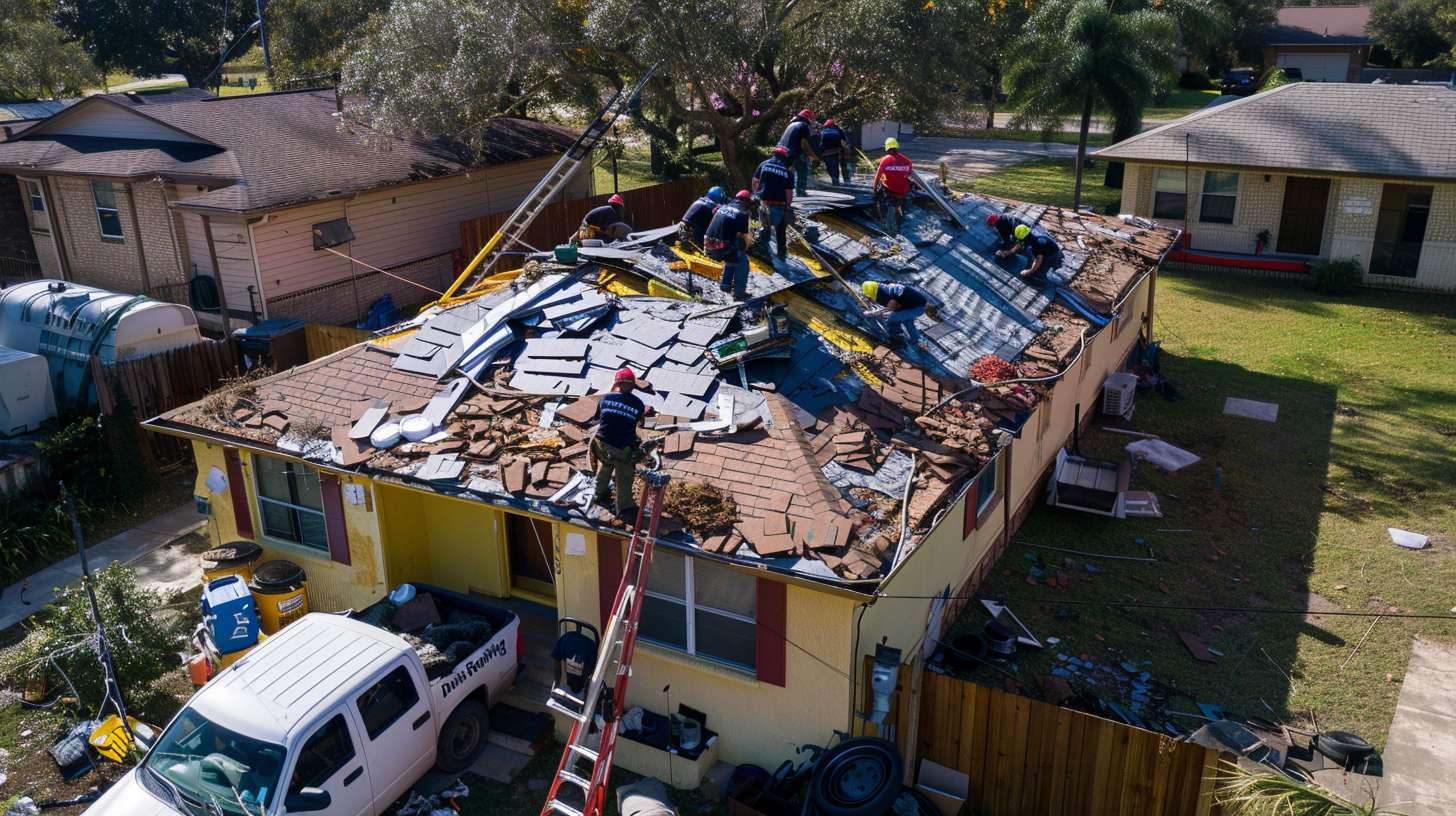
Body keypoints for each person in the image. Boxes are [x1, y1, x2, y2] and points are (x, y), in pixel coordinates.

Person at [591, 368, 648, 517]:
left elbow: (599, 418)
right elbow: (635, 424)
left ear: (616, 384)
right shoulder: (638, 404)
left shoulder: (605, 398)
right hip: (622, 448)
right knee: (625, 475)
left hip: (600, 443)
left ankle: (599, 493)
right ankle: (625, 507)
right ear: (633, 385)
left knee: (606, 465)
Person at [704, 189, 755, 300]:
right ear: (745, 201)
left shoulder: (723, 206)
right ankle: (739, 293)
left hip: (707, 244)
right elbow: (744, 237)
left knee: (732, 256)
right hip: (721, 248)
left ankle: (725, 286)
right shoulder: (742, 213)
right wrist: (749, 246)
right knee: (742, 261)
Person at [752, 146, 795, 260]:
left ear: (773, 154)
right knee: (781, 230)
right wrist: (788, 207)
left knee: (764, 228)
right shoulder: (787, 171)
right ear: (785, 157)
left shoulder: (764, 164)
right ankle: (781, 255)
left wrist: (757, 194)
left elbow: (755, 181)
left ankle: (763, 254)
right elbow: (789, 192)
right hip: (779, 204)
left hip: (764, 203)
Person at [861, 280, 927, 346]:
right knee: (907, 321)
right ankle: (917, 341)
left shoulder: (884, 293)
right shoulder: (887, 288)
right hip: (915, 306)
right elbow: (895, 306)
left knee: (891, 320)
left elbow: (889, 309)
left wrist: (871, 313)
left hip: (916, 308)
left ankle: (899, 339)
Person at [872, 137, 914, 234]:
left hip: (890, 190)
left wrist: (874, 187)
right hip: (902, 191)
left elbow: (877, 176)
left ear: (887, 148)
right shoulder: (907, 161)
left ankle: (888, 220)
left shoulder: (885, 160)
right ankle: (899, 213)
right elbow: (908, 174)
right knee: (899, 203)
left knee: (882, 193)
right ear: (897, 147)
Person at [777, 108, 820, 196]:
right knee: (802, 169)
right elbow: (804, 144)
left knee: (784, 173)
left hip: (780, 151)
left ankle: (781, 191)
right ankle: (800, 191)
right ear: (809, 118)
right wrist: (814, 157)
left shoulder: (791, 124)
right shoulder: (803, 126)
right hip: (793, 152)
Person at [819, 119, 847, 185]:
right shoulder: (838, 130)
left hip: (826, 153)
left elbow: (820, 142)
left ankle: (833, 178)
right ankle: (836, 179)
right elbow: (844, 139)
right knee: (835, 166)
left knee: (829, 167)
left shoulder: (823, 132)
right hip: (836, 152)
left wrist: (820, 153)